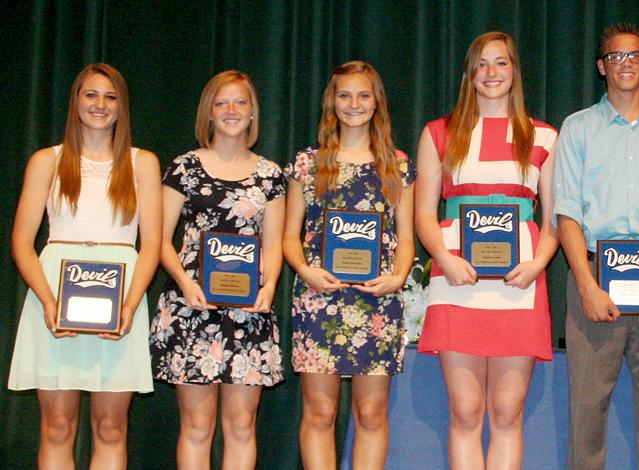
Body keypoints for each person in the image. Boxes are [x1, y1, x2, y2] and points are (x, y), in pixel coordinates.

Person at [553, 23, 639, 470]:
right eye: (616, 56)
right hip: (595, 275)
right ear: (602, 67)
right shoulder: (577, 128)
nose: (626, 63)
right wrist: (586, 286)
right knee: (586, 411)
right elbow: (567, 213)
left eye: (635, 55)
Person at [415, 31, 558, 469]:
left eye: (501, 63)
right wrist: (445, 259)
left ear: (515, 71)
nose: (491, 72)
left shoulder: (544, 136)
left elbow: (555, 218)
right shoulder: (439, 132)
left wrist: (537, 264)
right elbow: (423, 213)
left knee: (507, 413)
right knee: (465, 411)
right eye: (481, 63)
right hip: (456, 280)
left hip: (519, 285)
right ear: (469, 73)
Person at [8, 63, 162, 469]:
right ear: (75, 101)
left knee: (111, 427)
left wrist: (129, 305)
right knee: (57, 426)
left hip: (121, 296)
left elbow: (151, 245)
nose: (100, 104)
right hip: (55, 294)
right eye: (91, 94)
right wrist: (48, 300)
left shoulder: (143, 162)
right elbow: (22, 243)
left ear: (122, 106)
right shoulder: (47, 160)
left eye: (110, 97)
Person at [149, 70, 286, 469]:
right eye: (222, 102)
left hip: (249, 312)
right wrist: (184, 283)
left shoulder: (270, 175)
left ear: (252, 112)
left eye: (240, 102)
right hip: (192, 307)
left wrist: (269, 286)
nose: (231, 110)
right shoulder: (184, 168)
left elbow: (273, 244)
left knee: (241, 426)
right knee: (197, 426)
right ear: (208, 112)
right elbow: (159, 239)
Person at [283, 60, 415, 469]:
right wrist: (305, 270)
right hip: (319, 298)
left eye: (363, 95)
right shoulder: (307, 163)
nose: (354, 104)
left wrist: (398, 277)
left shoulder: (397, 165)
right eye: (344, 95)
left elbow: (406, 237)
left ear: (377, 103)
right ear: (331, 102)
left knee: (371, 414)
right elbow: (289, 236)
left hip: (377, 301)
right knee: (320, 413)